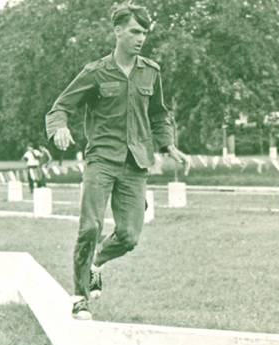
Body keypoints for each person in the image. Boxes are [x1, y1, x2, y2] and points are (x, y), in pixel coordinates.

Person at [45, 3, 189, 320]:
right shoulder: (95, 72)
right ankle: (80, 297)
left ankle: (95, 262)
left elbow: (160, 114)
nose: (140, 38)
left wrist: (169, 145)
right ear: (118, 31)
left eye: (144, 33)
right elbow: (60, 107)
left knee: (129, 236)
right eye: (135, 31)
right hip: (101, 159)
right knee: (90, 226)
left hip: (136, 163)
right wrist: (60, 128)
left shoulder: (150, 71)